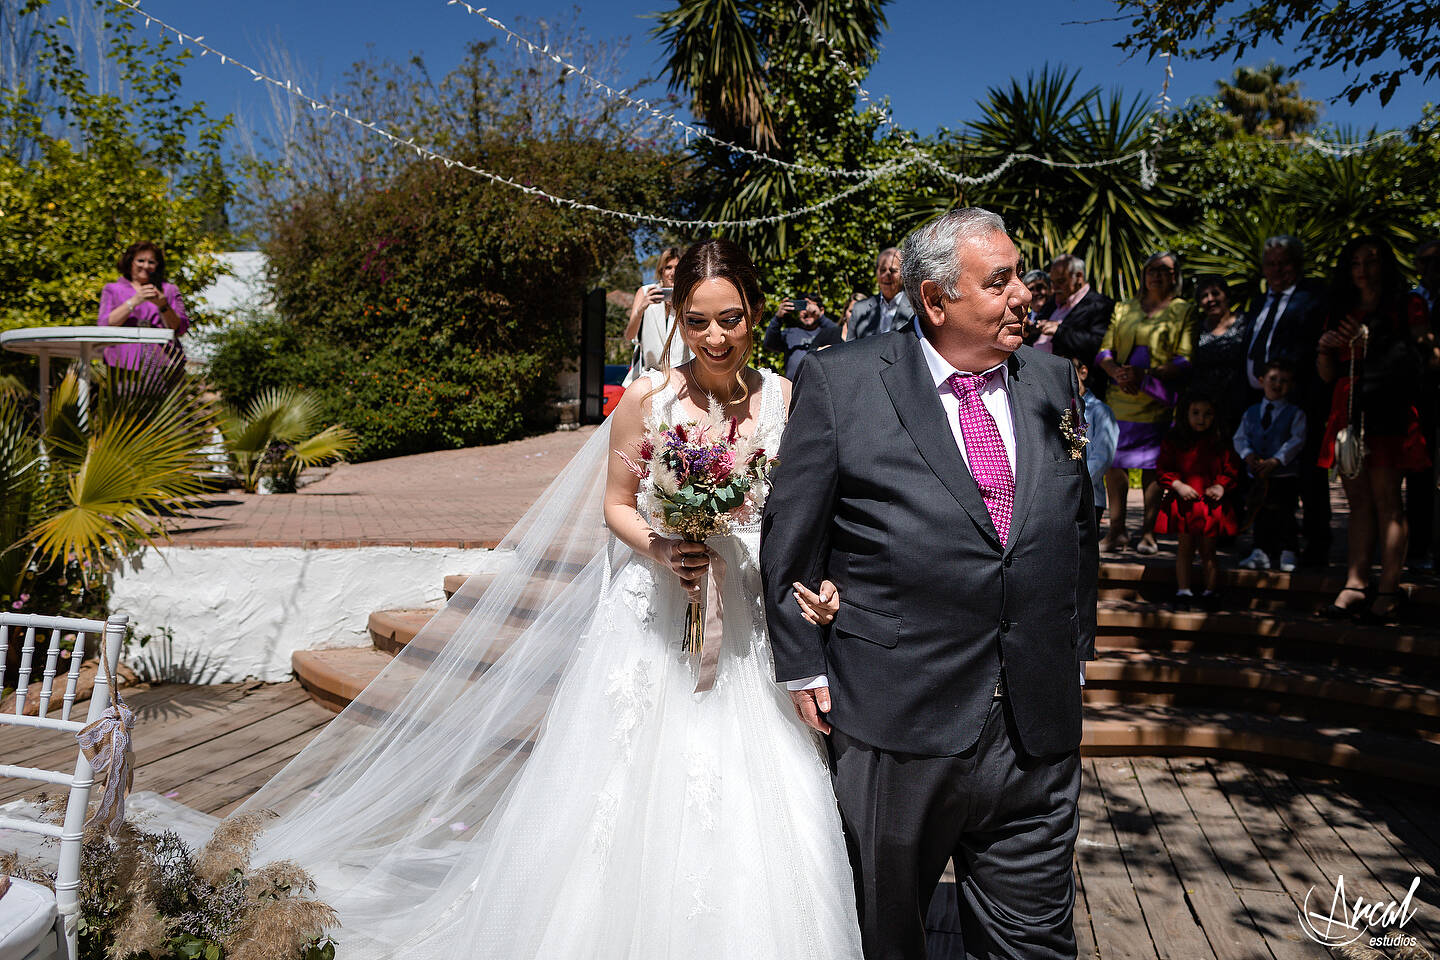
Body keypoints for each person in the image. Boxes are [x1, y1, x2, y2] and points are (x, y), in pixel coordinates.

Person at [157, 239, 865, 958]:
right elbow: (617, 506)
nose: (716, 337)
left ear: (756, 312)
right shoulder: (649, 398)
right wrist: (663, 546)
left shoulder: (784, 396)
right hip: (658, 612)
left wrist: (820, 580)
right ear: (677, 319)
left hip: (747, 623)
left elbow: (805, 508)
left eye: (732, 319)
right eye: (698, 320)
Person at [762, 207, 1098, 960]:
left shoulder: (1051, 380)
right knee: (887, 937)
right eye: (1000, 281)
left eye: (1022, 276)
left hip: (1037, 728)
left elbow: (1080, 524)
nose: (1023, 296)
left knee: (1034, 942)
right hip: (898, 718)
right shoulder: (843, 381)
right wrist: (805, 662)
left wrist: (1075, 646)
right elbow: (791, 541)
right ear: (936, 301)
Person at [1316, 236, 1430, 623]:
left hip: (1386, 406)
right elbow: (1327, 373)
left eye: (1372, 261)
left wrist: (1370, 343)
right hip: (1348, 407)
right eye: (1355, 263)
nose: (1363, 270)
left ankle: (1389, 587)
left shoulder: (1405, 303)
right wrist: (1325, 346)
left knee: (1388, 501)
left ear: (1386, 265)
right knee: (1358, 501)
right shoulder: (1341, 309)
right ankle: (1355, 583)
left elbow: (1423, 355)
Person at [1096, 251, 1195, 555]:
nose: (1157, 275)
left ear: (1174, 276)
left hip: (1155, 397)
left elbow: (1185, 358)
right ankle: (1116, 531)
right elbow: (1104, 351)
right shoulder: (1124, 308)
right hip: (1120, 397)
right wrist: (1118, 373)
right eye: (1152, 269)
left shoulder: (1183, 310)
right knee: (1114, 466)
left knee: (1152, 467)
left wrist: (1145, 375)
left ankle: (1148, 533)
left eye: (1164, 270)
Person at [1242, 236, 1330, 566]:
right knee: (1264, 480)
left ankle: (1314, 545)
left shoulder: (1313, 298)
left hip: (1299, 404)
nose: (1277, 270)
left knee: (1305, 478)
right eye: (1271, 263)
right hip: (1260, 403)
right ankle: (1265, 546)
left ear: (1297, 264)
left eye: (1284, 262)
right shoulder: (1259, 301)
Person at [1156, 394, 1239, 608]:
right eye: (1195, 413)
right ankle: (1184, 591)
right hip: (1186, 503)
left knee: (1208, 549)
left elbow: (1231, 469)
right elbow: (1164, 468)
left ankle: (1210, 592)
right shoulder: (1175, 440)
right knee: (1185, 548)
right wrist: (1178, 485)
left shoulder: (1220, 442)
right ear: (1185, 414)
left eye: (1208, 414)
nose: (1201, 418)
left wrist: (1221, 485)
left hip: (1210, 504)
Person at [1234, 360, 1307, 572]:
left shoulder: (1295, 413)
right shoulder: (1251, 412)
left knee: (1285, 512)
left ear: (1291, 385)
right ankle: (1261, 551)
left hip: (1284, 475)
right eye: (1273, 379)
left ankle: (1288, 551)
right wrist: (1248, 455)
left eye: (1284, 381)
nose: (1277, 384)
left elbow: (1297, 440)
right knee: (1259, 511)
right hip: (1258, 475)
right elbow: (1240, 438)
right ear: (1261, 381)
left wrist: (1276, 460)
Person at [97, 241, 190, 372]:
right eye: (140, 261)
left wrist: (163, 305)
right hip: (122, 365)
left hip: (164, 364)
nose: (146, 266)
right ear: (130, 262)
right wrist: (134, 301)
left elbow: (180, 328)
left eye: (151, 262)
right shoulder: (112, 289)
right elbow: (104, 325)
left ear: (157, 265)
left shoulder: (169, 290)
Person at [1034, 256, 1114, 397]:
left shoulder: (1099, 305)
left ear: (1078, 277)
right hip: (1042, 384)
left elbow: (1099, 345)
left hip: (1076, 392)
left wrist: (1060, 331)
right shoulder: (1053, 303)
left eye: (1060, 281)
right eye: (1052, 282)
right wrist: (1031, 330)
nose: (1055, 288)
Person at [1189, 275, 1251, 431]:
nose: (1210, 299)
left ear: (1226, 296)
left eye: (1215, 293)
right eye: (1204, 296)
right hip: (1205, 409)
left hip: (1239, 403)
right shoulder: (1196, 329)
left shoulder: (1246, 323)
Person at [621, 245, 690, 384]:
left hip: (681, 375)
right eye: (668, 267)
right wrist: (641, 308)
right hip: (649, 375)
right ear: (661, 271)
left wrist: (680, 308)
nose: (672, 273)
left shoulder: (689, 295)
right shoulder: (646, 292)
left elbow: (692, 338)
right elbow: (629, 336)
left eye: (677, 267)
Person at [1075, 356, 1119, 531]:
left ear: (1083, 372)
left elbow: (1103, 457)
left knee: (1084, 553)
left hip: (1089, 496)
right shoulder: (1051, 408)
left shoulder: (1100, 411)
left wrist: (1076, 483)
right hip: (1058, 497)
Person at [764, 293, 842, 378]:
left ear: (821, 310)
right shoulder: (790, 333)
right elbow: (769, 344)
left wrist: (820, 316)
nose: (806, 312)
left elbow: (841, 337)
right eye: (803, 307)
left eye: (810, 308)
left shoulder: (827, 333)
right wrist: (777, 318)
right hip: (793, 388)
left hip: (821, 387)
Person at [847, 246, 915, 339]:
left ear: (903, 273)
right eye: (882, 270)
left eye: (893, 270)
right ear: (876, 273)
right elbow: (850, 348)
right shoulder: (859, 309)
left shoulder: (916, 308)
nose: (887, 275)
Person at [1021, 268, 1051, 341]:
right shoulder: (1023, 315)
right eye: (1031, 289)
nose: (1036, 293)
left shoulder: (1056, 312)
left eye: (1039, 287)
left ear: (1049, 289)